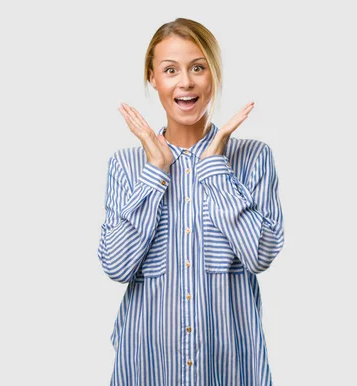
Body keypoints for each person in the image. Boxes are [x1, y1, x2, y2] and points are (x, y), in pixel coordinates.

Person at [97, 18, 285, 385]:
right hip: (147, 370)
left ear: (212, 74)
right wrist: (155, 172)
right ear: (153, 77)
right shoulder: (125, 165)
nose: (185, 82)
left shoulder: (253, 158)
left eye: (198, 67)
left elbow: (260, 255)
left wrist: (215, 168)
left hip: (231, 372)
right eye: (171, 70)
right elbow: (116, 266)